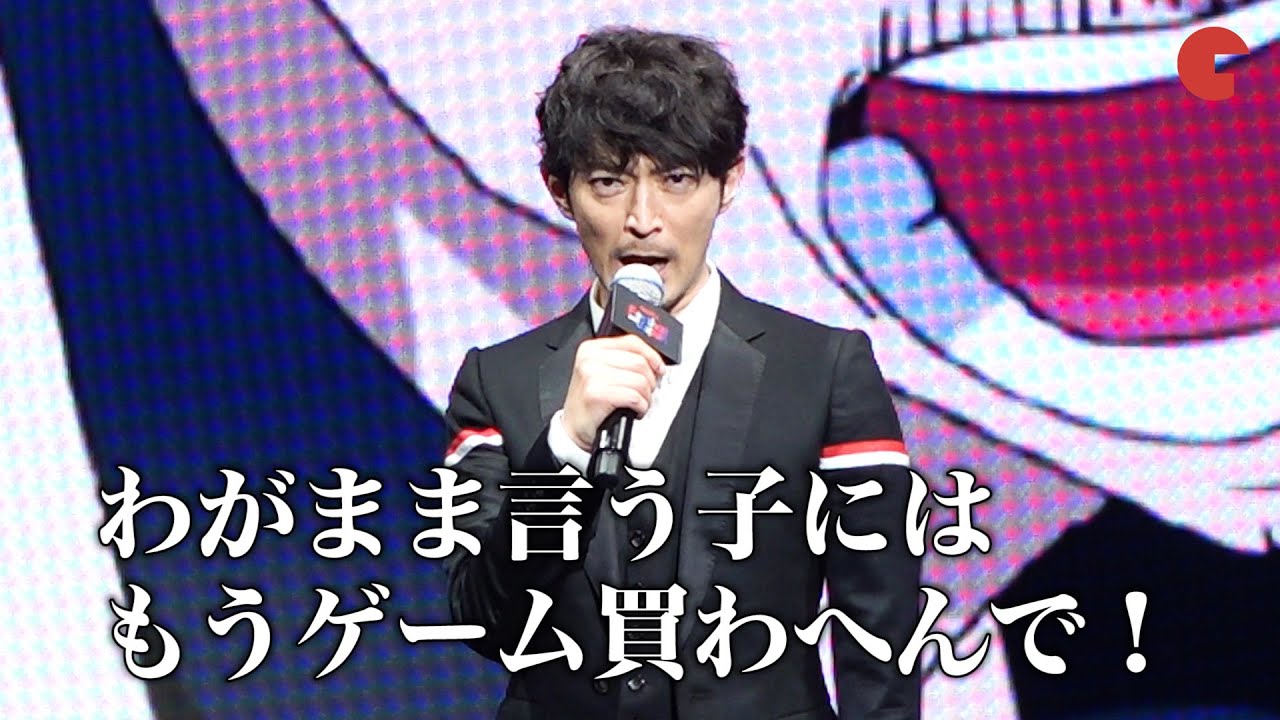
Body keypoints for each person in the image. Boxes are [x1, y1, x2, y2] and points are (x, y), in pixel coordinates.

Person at [441, 27, 921, 720]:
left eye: (676, 179)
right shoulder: (499, 381)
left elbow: (880, 631)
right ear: (560, 191)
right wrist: (566, 449)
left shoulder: (823, 370)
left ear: (730, 181)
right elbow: (483, 619)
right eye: (608, 182)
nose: (643, 220)